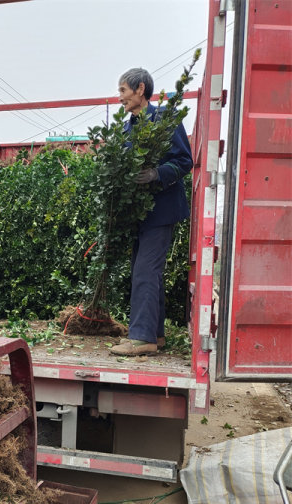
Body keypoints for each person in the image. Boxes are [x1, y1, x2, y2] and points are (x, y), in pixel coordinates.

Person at [110, 68, 193, 357]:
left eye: (123, 90)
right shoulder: (126, 128)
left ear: (140, 89)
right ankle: (155, 335)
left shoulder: (165, 121)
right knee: (146, 272)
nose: (119, 97)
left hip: (162, 211)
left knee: (146, 271)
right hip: (139, 214)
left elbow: (185, 161)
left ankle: (141, 338)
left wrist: (157, 173)